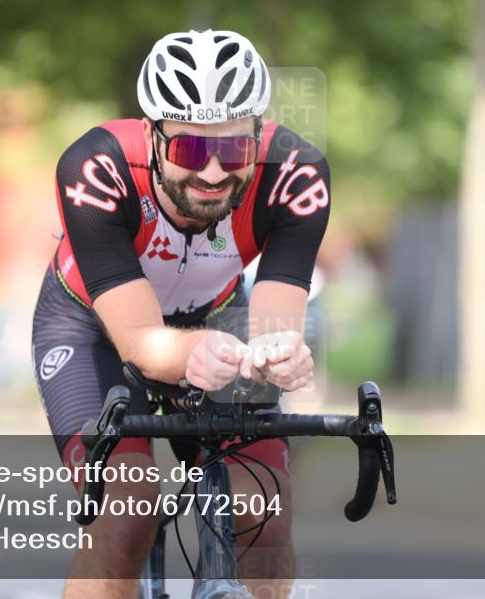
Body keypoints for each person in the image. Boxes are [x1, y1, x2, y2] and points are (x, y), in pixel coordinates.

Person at [31, 29, 330, 599]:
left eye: (236, 149)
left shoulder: (297, 176)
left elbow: (273, 327)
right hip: (92, 328)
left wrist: (279, 354)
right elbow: (140, 341)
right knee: (128, 512)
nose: (215, 173)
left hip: (219, 316)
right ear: (151, 134)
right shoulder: (96, 168)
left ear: (259, 135)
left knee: (262, 511)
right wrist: (193, 353)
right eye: (191, 149)